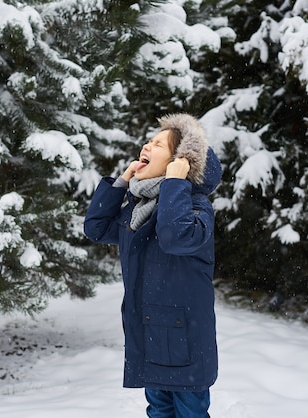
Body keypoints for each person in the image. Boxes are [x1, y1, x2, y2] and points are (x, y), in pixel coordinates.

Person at [84, 113, 222, 417]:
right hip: (150, 335)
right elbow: (95, 229)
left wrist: (175, 180)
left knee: (190, 414)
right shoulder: (137, 210)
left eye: (158, 144)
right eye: (148, 141)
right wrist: (121, 183)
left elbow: (175, 236)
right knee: (158, 411)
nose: (146, 146)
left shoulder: (197, 209)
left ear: (180, 161)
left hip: (185, 341)